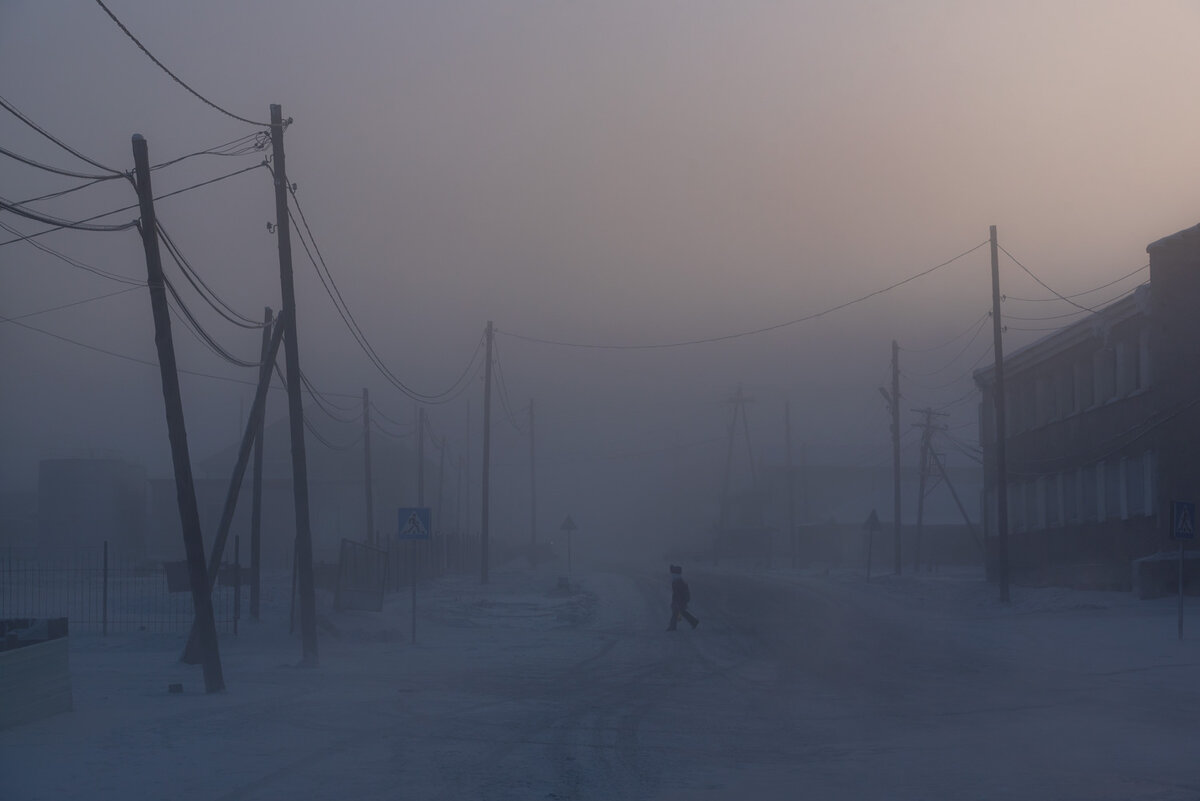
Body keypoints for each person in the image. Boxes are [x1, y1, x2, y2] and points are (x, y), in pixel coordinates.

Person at [666, 564, 699, 631]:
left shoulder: (677, 582)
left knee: (676, 612)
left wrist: (677, 602)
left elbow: (679, 594)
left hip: (681, 600)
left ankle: (672, 627)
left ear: (675, 574)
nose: (671, 575)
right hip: (681, 599)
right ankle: (694, 621)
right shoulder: (677, 581)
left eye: (672, 574)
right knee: (682, 612)